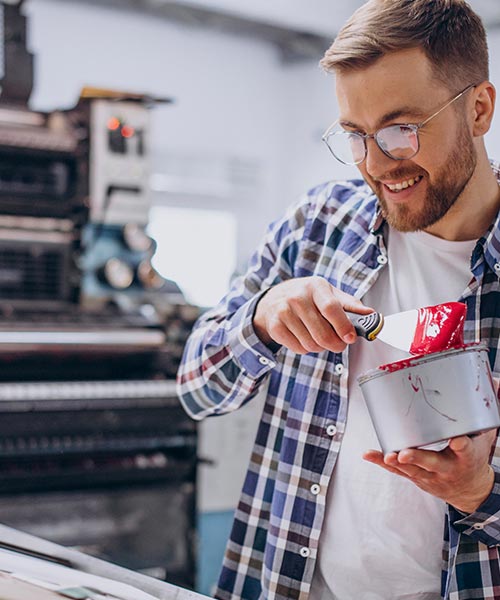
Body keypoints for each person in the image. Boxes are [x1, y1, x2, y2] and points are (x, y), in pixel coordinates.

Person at [177, 0, 500, 598]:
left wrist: (482, 494)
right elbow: (197, 390)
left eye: (403, 130)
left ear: (479, 108)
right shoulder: (317, 225)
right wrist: (261, 318)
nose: (377, 165)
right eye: (356, 135)